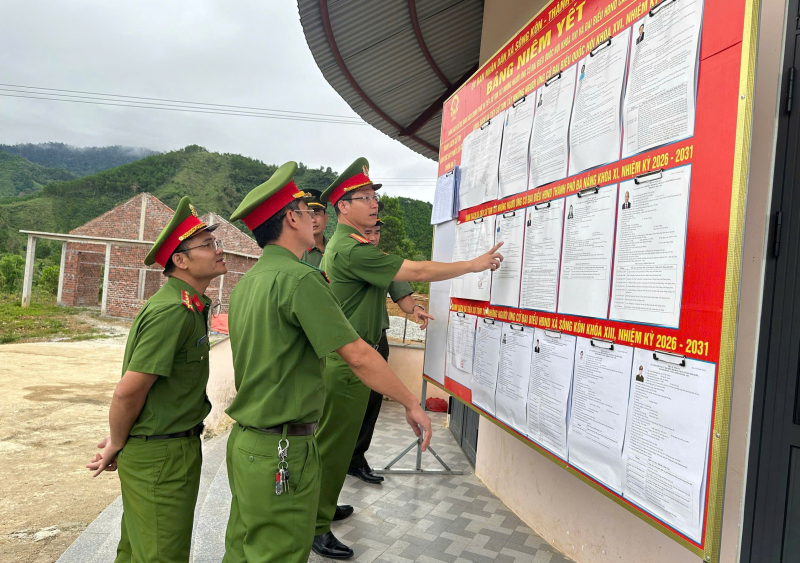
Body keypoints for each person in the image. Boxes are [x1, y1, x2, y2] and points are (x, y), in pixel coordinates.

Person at [221, 162, 433, 563]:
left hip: (247, 443)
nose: (315, 218)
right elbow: (355, 353)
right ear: (291, 219)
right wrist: (410, 401)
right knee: (279, 552)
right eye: (305, 210)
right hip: (281, 448)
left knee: (243, 550)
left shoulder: (247, 282)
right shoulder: (300, 280)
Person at [313, 157, 503, 559]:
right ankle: (314, 525)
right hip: (348, 363)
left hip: (356, 356)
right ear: (342, 207)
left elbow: (392, 277)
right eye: (362, 198)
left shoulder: (357, 246)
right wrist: (473, 264)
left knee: (341, 440)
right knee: (332, 446)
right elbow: (414, 268)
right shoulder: (349, 248)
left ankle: (324, 507)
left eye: (373, 197)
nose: (373, 204)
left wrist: (408, 304)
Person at [86, 197, 226, 563]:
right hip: (162, 455)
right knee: (162, 554)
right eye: (208, 244)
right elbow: (128, 391)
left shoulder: (189, 305)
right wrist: (117, 440)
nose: (219, 250)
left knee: (138, 550)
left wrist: (124, 437)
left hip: (162, 447)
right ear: (180, 260)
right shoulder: (172, 312)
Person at [347, 211, 434, 485]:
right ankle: (333, 462)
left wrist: (416, 309)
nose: (372, 237)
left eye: (376, 233)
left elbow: (403, 296)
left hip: (376, 341)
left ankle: (356, 459)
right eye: (368, 232)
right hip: (346, 343)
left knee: (371, 404)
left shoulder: (382, 261)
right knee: (341, 406)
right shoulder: (345, 254)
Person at [300, 189, 328, 267]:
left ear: (326, 218)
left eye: (316, 214)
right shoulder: (295, 253)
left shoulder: (334, 248)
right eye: (308, 214)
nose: (313, 220)